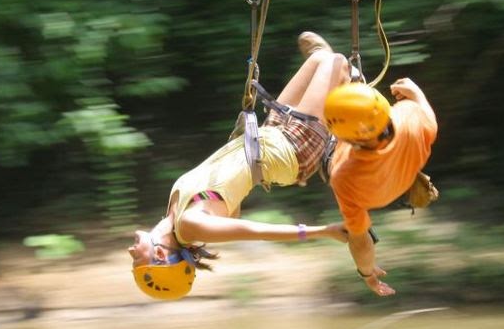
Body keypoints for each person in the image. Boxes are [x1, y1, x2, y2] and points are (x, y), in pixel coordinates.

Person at [128, 33, 351, 300]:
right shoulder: (190, 226)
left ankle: (339, 89)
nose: (130, 253)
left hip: (269, 136)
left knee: (319, 58)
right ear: (161, 254)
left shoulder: (176, 213)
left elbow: (231, 207)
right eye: (136, 260)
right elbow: (253, 230)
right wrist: (322, 231)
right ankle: (350, 92)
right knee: (336, 62)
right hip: (292, 149)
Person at [323, 67, 438, 298]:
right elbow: (428, 117)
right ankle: (339, 68)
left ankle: (327, 59)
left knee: (330, 68)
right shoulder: (410, 118)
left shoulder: (344, 177)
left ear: (344, 137)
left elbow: (360, 237)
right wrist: (416, 94)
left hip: (367, 189)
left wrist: (368, 271)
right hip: (397, 180)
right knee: (339, 74)